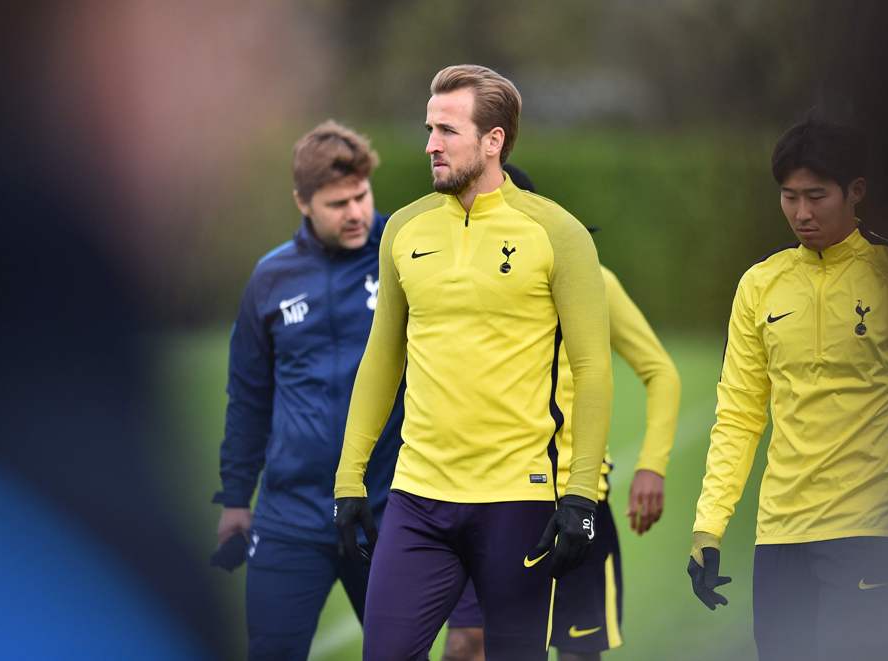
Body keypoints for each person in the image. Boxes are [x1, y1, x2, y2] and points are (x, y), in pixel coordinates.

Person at [333, 64, 613, 661]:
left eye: (447, 131)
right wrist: (349, 476)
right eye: (429, 129)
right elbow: (382, 357)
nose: (430, 145)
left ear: (494, 141)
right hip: (417, 497)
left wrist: (582, 496)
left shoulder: (558, 233)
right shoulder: (403, 229)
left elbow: (592, 367)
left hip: (518, 499)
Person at [688, 118, 888, 660]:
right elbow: (740, 414)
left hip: (876, 526)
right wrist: (709, 526)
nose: (801, 213)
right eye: (789, 196)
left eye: (816, 196)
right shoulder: (759, 286)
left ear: (855, 191)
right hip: (781, 535)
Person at [442, 164, 682, 661]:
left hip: (573, 500)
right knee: (467, 643)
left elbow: (661, 372)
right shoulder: (458, 285)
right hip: (485, 498)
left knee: (575, 654)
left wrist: (652, 465)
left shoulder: (592, 280)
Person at [211, 120, 405, 660]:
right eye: (338, 203)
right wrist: (236, 496)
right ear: (303, 202)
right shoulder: (270, 279)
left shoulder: (404, 257)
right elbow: (248, 397)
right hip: (291, 518)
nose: (356, 212)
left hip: (386, 511)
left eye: (361, 196)